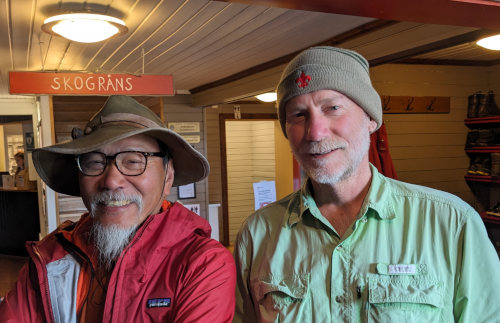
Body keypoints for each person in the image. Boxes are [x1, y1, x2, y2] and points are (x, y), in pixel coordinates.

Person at [233, 46, 500, 322]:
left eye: (333, 108)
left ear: (371, 119)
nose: (315, 132)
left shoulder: (453, 225)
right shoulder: (257, 235)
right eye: (298, 115)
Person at [0, 95, 236, 322]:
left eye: (133, 161)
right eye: (94, 162)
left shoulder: (201, 264)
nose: (111, 180)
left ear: (168, 177)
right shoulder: (50, 257)